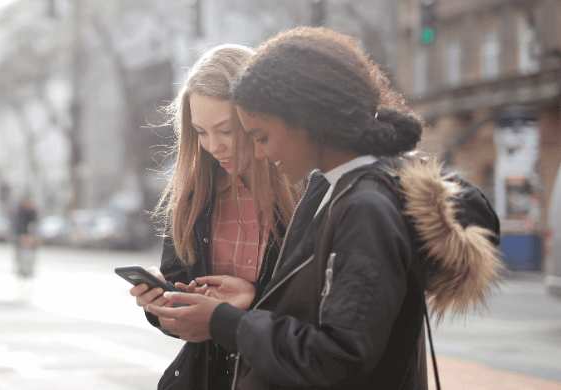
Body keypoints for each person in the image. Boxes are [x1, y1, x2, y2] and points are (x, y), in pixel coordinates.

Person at [145, 27, 504, 389]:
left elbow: (336, 359)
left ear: (303, 120)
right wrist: (245, 304)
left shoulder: (360, 206)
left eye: (260, 136)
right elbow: (316, 320)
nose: (257, 151)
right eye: (201, 132)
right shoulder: (332, 191)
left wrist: (227, 320)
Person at [130, 44, 299, 389]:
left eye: (225, 130)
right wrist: (160, 307)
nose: (213, 146)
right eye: (201, 132)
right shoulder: (195, 195)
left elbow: (319, 324)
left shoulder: (305, 192)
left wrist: (246, 304)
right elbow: (181, 298)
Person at [13, 195, 39, 279]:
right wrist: (21, 236)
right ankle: (21, 271)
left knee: (31, 256)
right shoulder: (19, 213)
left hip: (31, 240)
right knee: (21, 256)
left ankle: (30, 270)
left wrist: (34, 237)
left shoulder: (33, 213)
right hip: (20, 239)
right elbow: (18, 226)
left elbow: (36, 226)